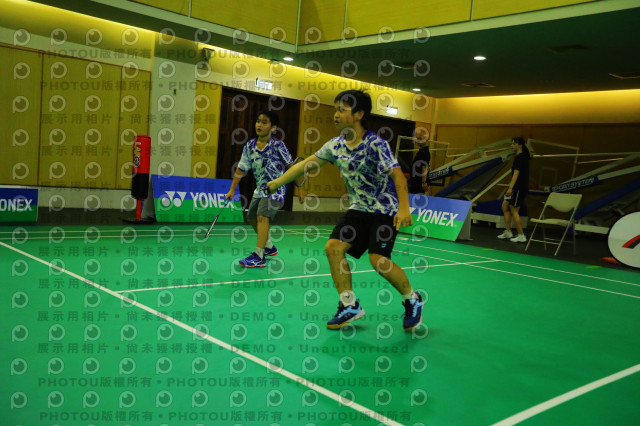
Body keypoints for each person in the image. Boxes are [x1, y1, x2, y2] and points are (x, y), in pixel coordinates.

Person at [267, 90, 424, 332]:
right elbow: (304, 165)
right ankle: (349, 304)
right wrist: (278, 182)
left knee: (379, 261)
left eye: (342, 110)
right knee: (333, 248)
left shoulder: (376, 144)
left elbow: (397, 176)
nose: (336, 114)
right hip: (358, 209)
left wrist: (404, 209)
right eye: (335, 109)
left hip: (384, 210)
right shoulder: (335, 145)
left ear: (359, 114)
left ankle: (412, 299)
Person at [225, 110, 305, 268]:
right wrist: (232, 189)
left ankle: (259, 255)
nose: (259, 125)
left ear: (273, 127)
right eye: (258, 121)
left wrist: (300, 188)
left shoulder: (278, 145)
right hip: (260, 189)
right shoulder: (249, 146)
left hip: (276, 188)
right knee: (251, 217)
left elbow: (292, 167)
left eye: (264, 122)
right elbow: (241, 168)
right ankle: (268, 246)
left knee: (262, 216)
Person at [498, 136, 530, 243]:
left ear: (519, 145)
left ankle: (521, 235)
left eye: (514, 144)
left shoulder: (521, 158)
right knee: (505, 205)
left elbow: (516, 174)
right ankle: (508, 231)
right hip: (515, 187)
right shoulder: (519, 157)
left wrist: (510, 188)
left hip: (518, 188)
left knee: (514, 209)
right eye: (511, 143)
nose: (511, 145)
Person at [408, 129, 431, 194]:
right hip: (415, 181)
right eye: (417, 139)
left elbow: (425, 167)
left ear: (426, 140)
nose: (418, 141)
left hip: (418, 183)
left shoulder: (425, 152)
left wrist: (424, 182)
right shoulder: (421, 151)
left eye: (420, 139)